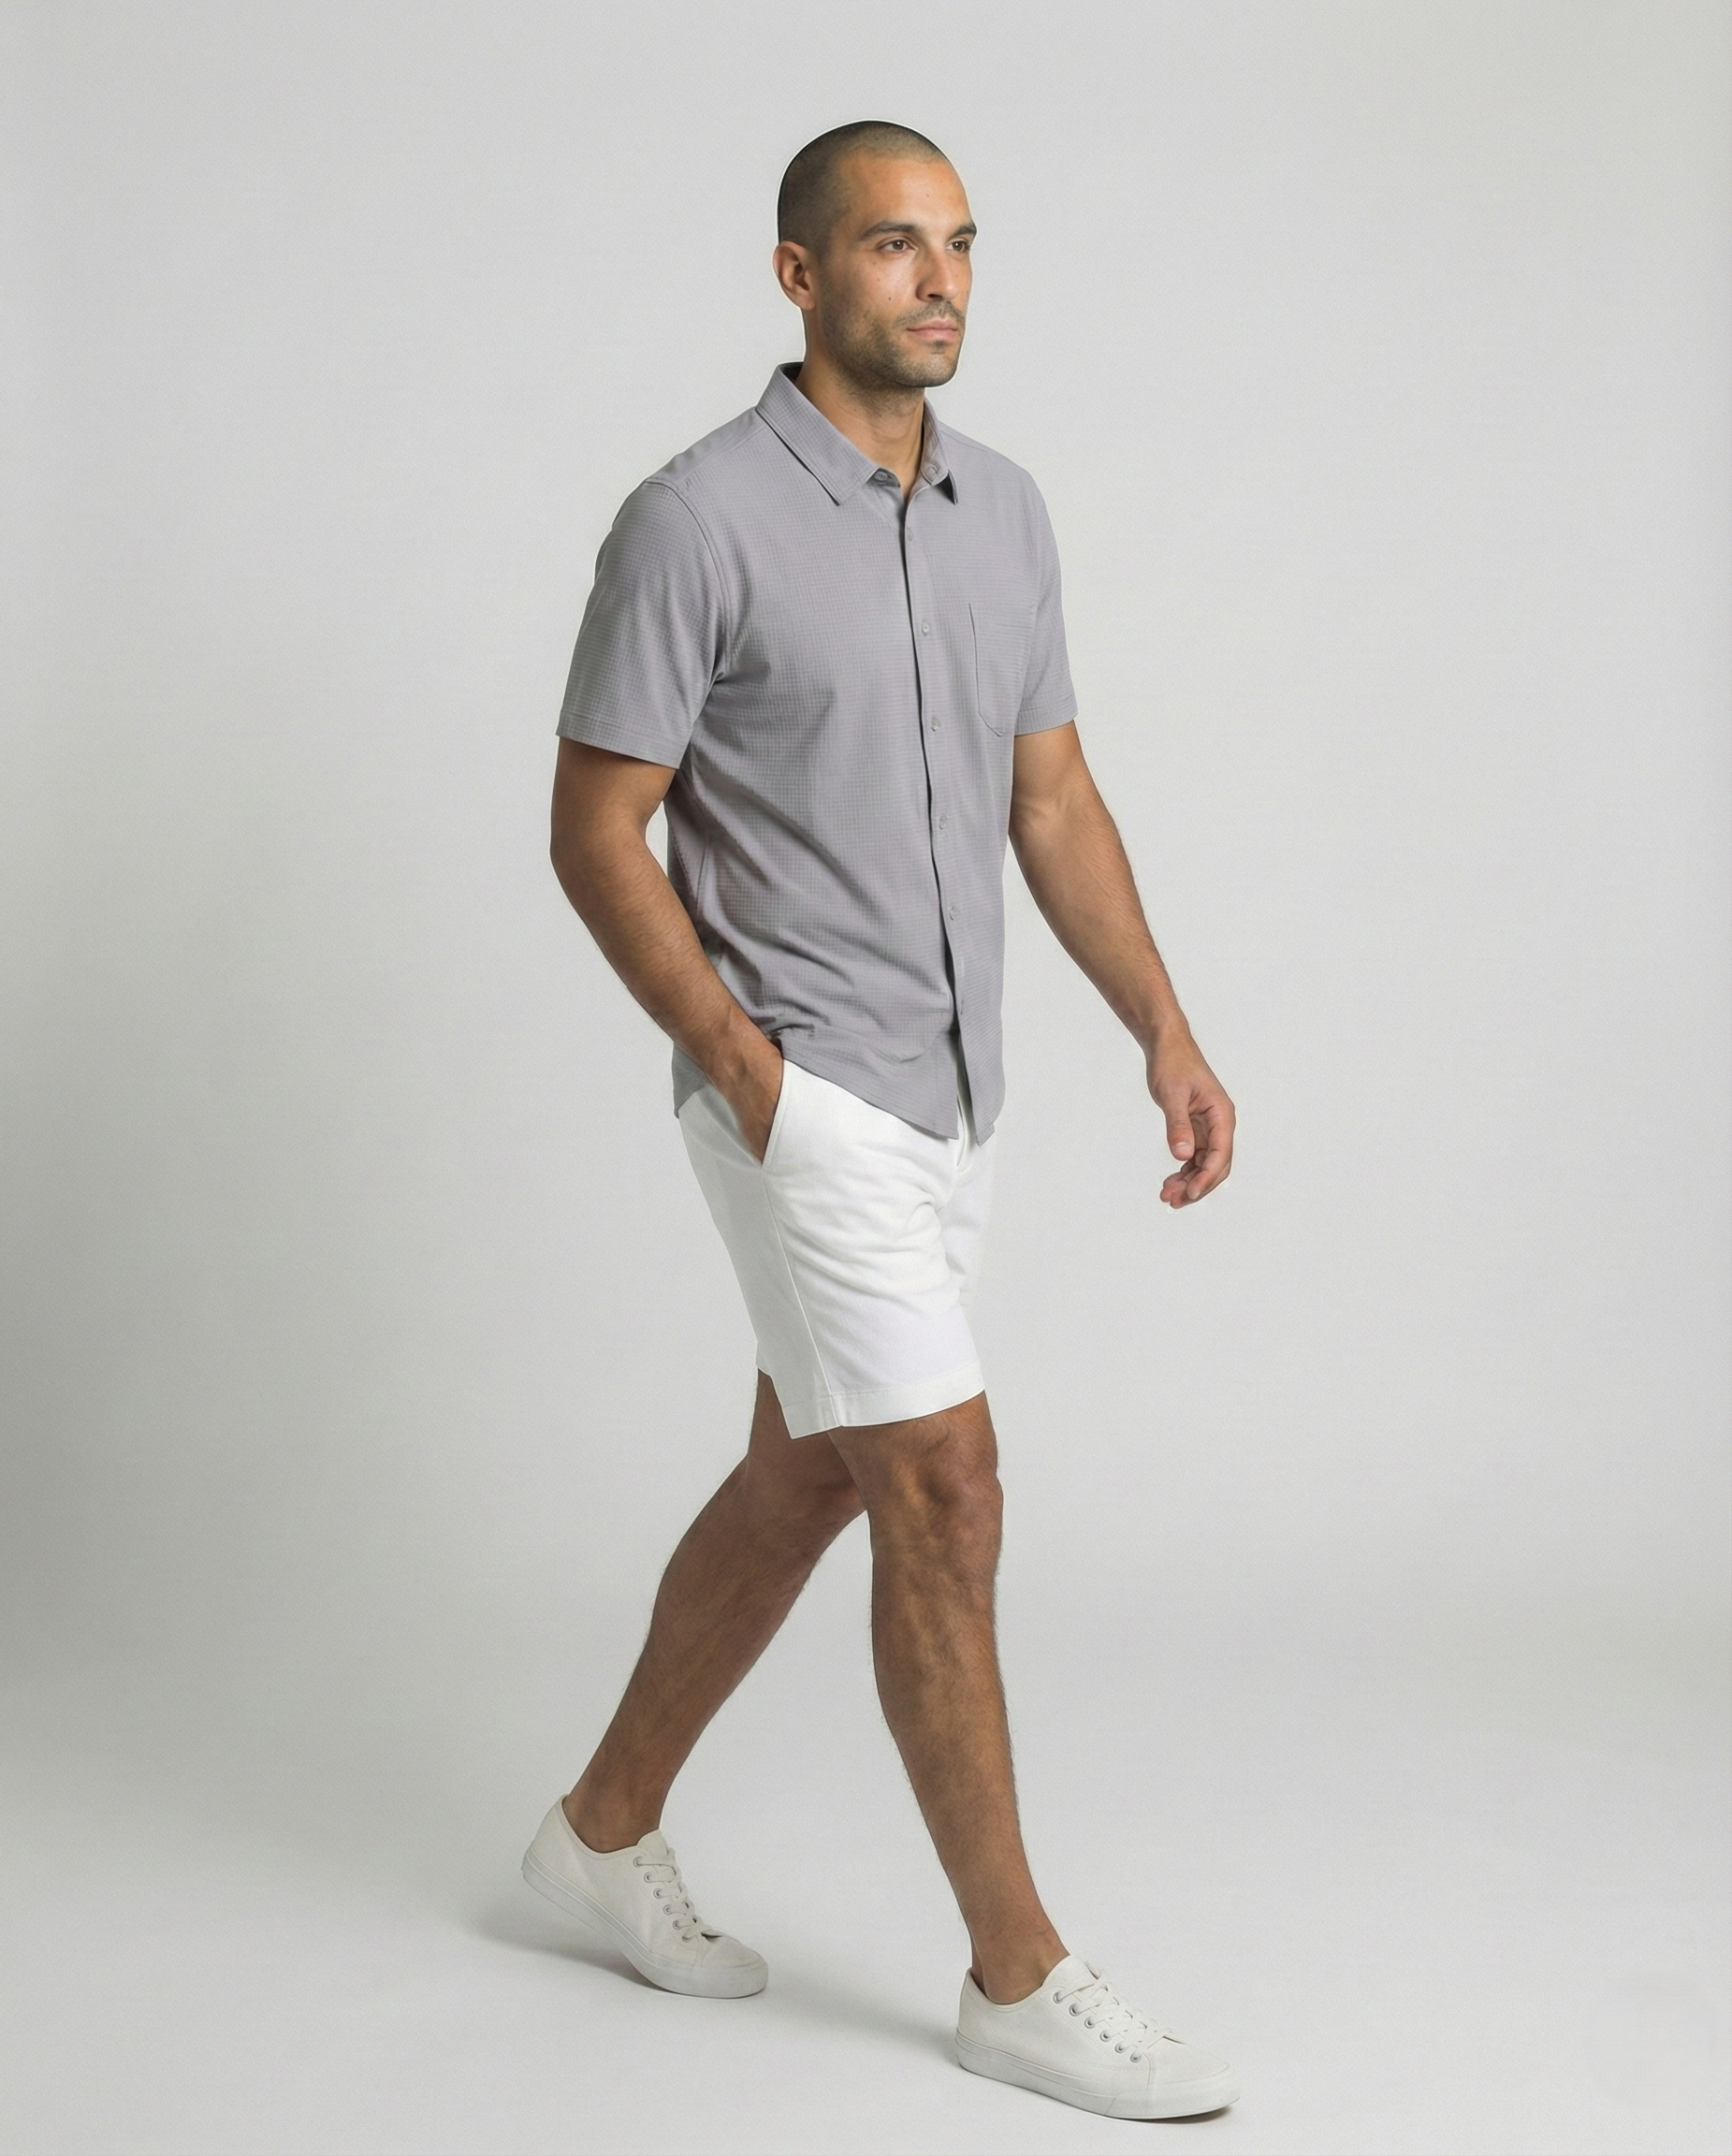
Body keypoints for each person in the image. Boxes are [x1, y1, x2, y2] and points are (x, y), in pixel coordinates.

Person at [524, 120, 1239, 2123]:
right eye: (891, 246)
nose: (938, 282)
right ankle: (1018, 1976)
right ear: (798, 274)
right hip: (806, 1096)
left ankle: (598, 1833)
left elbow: (1052, 799)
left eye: (959, 246)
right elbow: (596, 827)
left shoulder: (1006, 511)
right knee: (943, 1485)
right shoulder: (694, 520)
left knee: (811, 1476)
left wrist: (1163, 1029)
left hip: (955, 1095)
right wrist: (749, 1074)